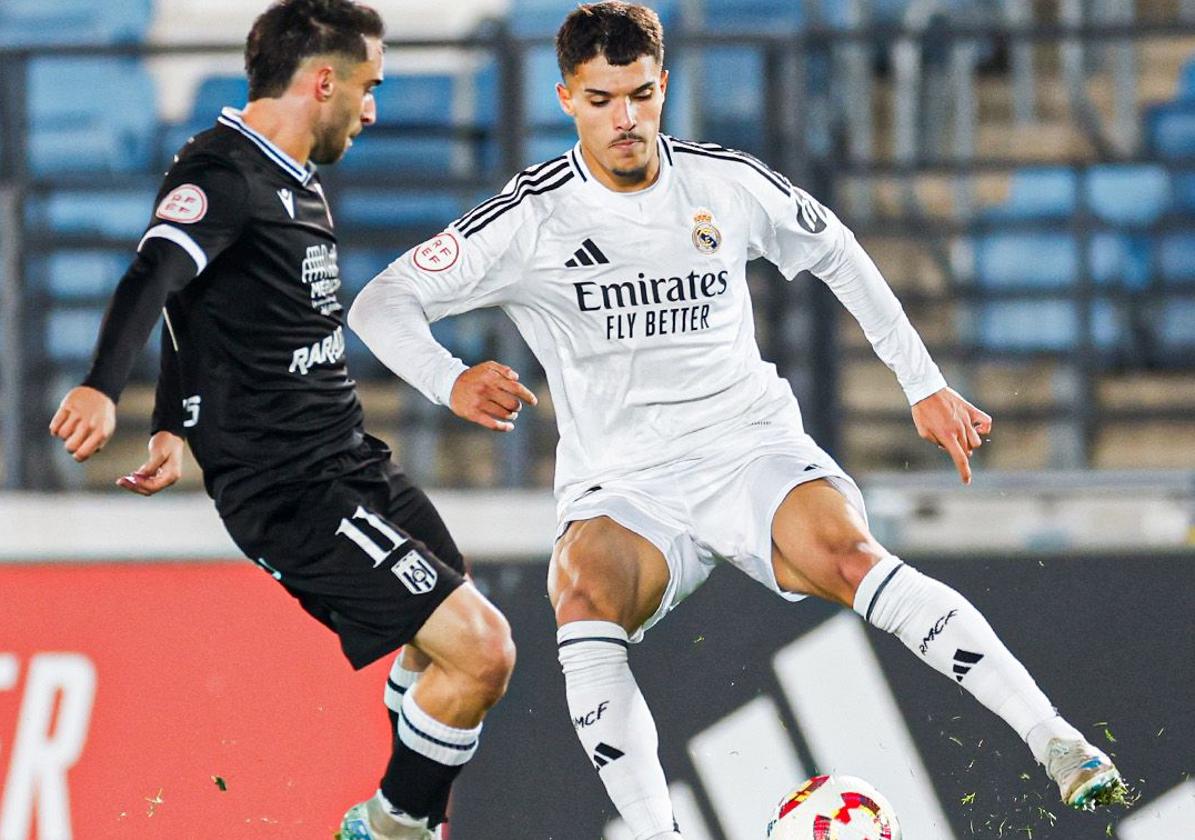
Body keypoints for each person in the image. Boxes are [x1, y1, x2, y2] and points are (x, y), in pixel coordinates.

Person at [348, 2, 1127, 837]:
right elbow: (380, 302)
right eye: (603, 100)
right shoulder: (530, 217)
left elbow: (836, 251)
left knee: (849, 553)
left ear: (664, 87)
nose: (626, 120)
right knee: (580, 590)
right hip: (625, 481)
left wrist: (922, 383)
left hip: (745, 447)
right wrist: (450, 378)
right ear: (566, 97)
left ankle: (1055, 741)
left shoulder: (725, 181)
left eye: (642, 96)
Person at [47, 2, 519, 838]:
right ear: (324, 80)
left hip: (348, 456)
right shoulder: (221, 175)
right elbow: (152, 276)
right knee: (483, 649)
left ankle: (397, 814)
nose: (373, 110)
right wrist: (99, 387)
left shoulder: (291, 176)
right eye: (368, 88)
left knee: (447, 636)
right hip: (289, 487)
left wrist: (171, 419)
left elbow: (199, 306)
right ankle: (393, 827)